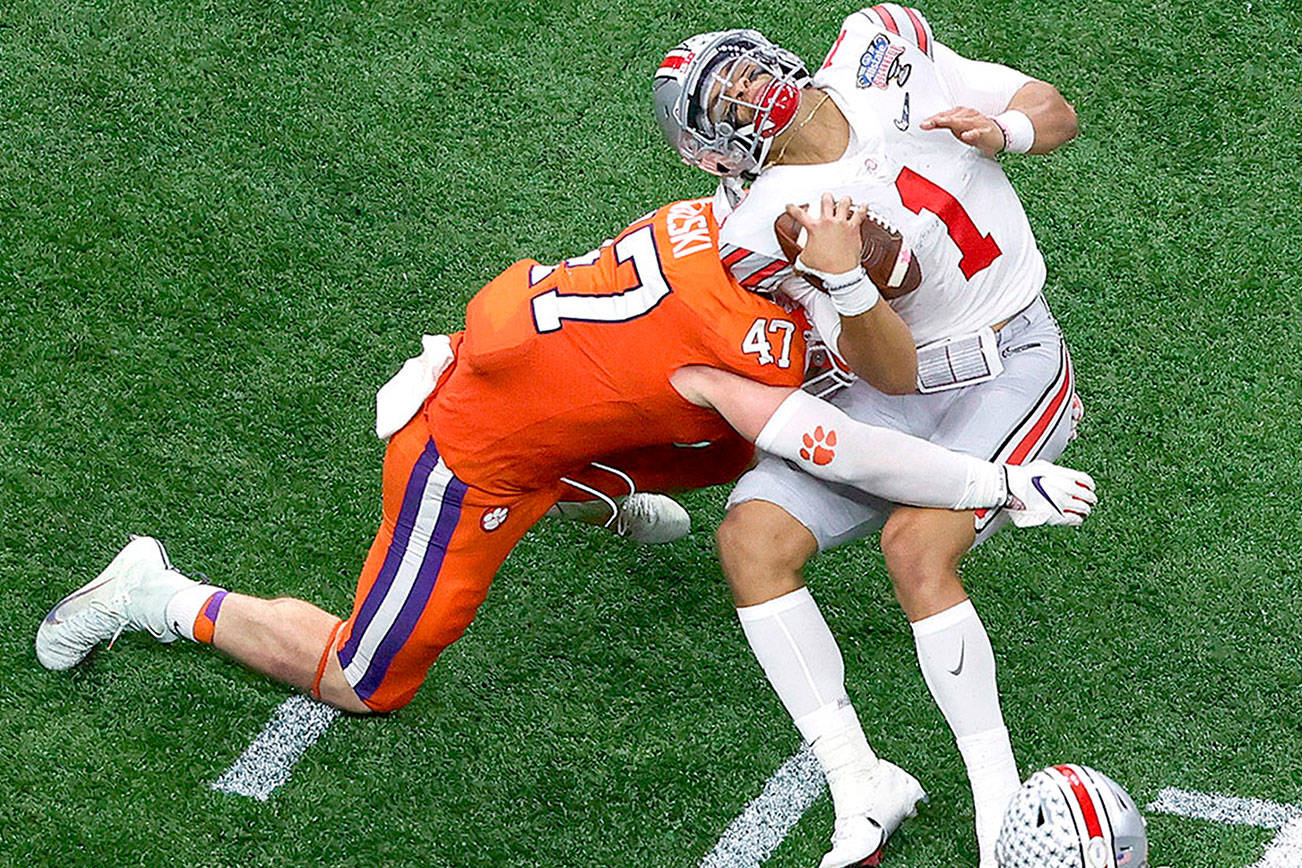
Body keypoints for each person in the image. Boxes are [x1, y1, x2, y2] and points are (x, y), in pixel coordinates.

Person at [36, 196, 1094, 726]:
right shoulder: (733, 338)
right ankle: (153, 592)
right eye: (816, 267)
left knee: (750, 434)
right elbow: (837, 439)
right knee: (368, 677)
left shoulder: (705, 232)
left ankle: (605, 486)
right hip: (474, 452)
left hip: (565, 393)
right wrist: (996, 481)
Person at [654, 8, 1083, 867]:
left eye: (739, 71)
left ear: (767, 49)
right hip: (888, 382)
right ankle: (859, 779)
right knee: (751, 541)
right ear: (717, 152)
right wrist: (845, 276)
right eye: (726, 102)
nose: (748, 92)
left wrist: (1005, 130)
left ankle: (997, 799)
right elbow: (885, 372)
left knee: (916, 547)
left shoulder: (880, 47)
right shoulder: (756, 225)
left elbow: (1055, 109)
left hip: (1008, 357)